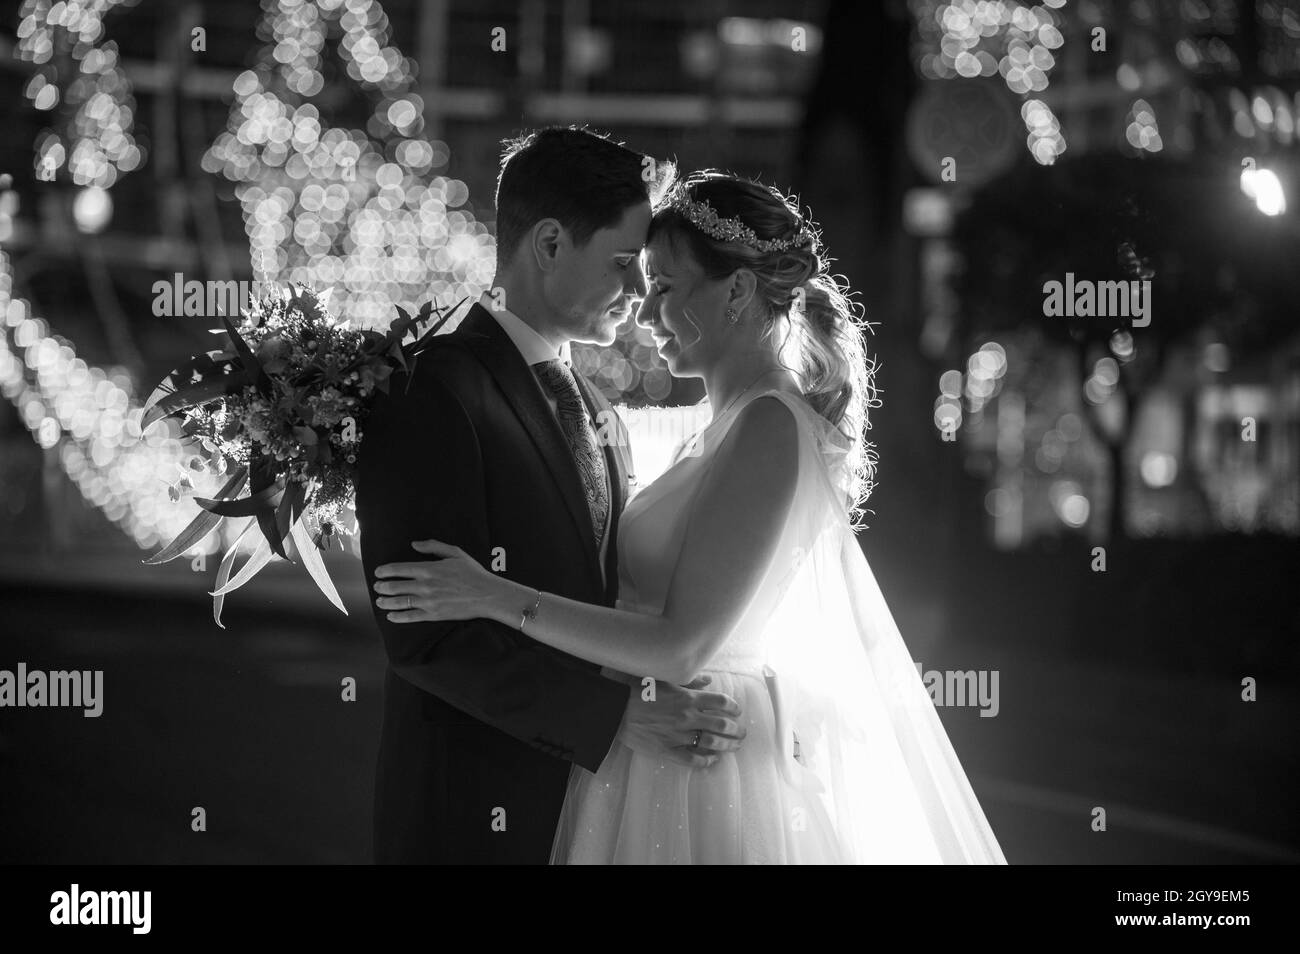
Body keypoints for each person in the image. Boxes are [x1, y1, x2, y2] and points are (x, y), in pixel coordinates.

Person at [374, 170, 1007, 864]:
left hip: (701, 759)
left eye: (666, 289)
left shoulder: (768, 425)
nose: (645, 314)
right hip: (653, 742)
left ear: (736, 290)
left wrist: (492, 596)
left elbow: (681, 646)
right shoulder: (718, 429)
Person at [356, 132, 747, 864]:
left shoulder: (595, 404)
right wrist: (615, 719)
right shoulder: (429, 388)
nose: (638, 294)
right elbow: (424, 638)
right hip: (467, 821)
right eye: (624, 263)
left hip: (584, 816)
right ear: (548, 244)